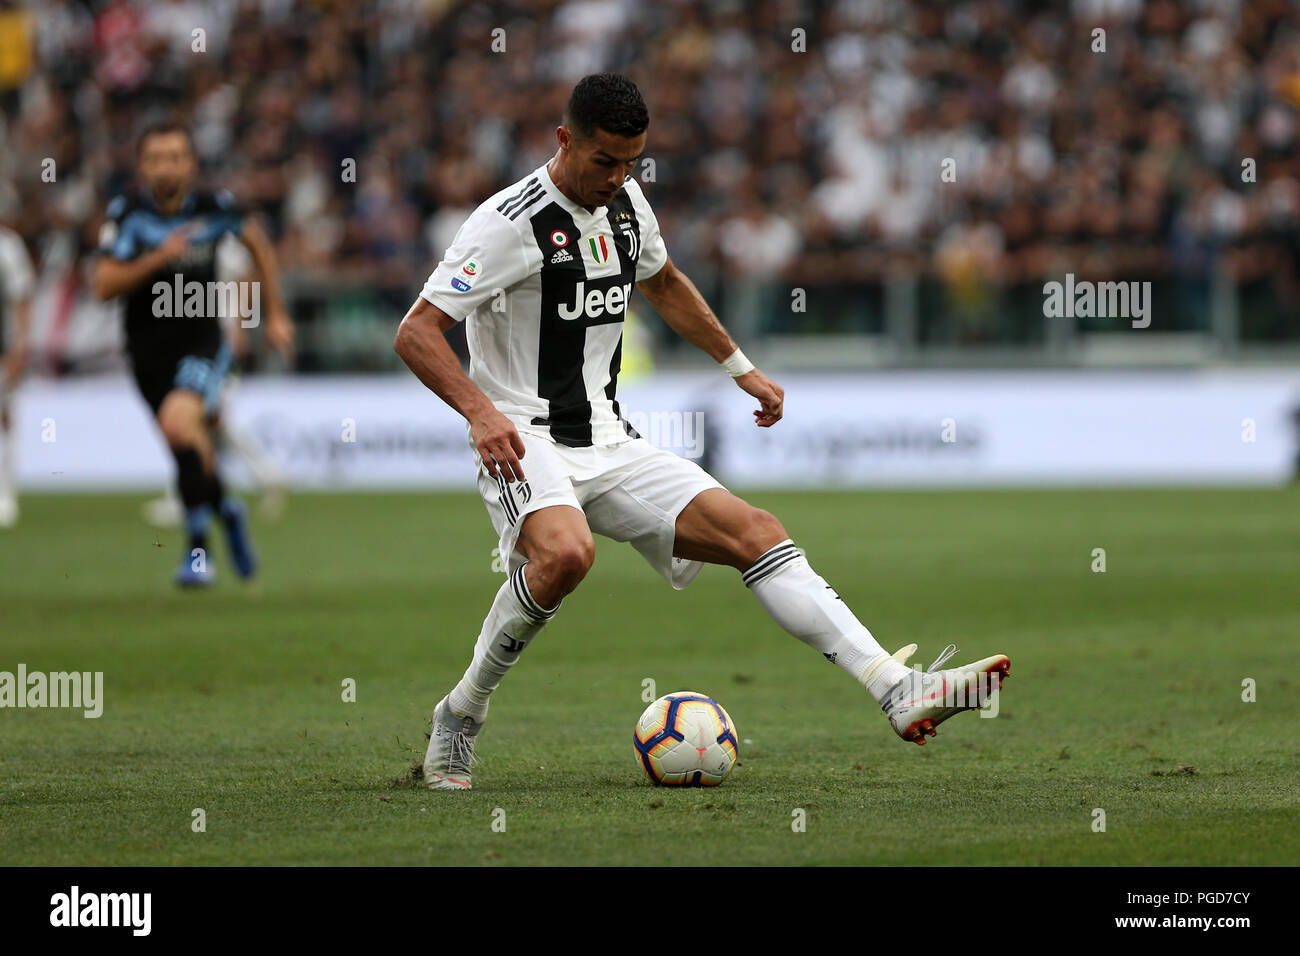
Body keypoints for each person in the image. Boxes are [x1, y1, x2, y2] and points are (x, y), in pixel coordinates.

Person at [394, 74, 1010, 790]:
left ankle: (895, 687)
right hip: (524, 436)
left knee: (757, 531)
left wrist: (739, 366)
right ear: (565, 141)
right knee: (566, 555)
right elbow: (417, 332)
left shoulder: (624, 203)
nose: (617, 177)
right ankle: (463, 714)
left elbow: (663, 282)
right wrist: (481, 412)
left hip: (609, 438)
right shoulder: (509, 223)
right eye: (604, 161)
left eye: (632, 163)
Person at [93, 121, 294, 586]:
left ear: (191, 164)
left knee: (178, 425)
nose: (166, 167)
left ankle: (197, 554)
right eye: (156, 158)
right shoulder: (127, 215)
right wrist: (158, 257)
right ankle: (227, 510)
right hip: (146, 355)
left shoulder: (214, 207)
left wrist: (276, 313)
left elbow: (257, 241)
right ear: (142, 166)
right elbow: (103, 285)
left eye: (175, 157)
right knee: (189, 449)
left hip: (204, 344)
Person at [0, 220, 35, 528]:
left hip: (2, 348)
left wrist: (19, 350)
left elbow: (22, 301)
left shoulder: (8, 247)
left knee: (6, 416)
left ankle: (5, 492)